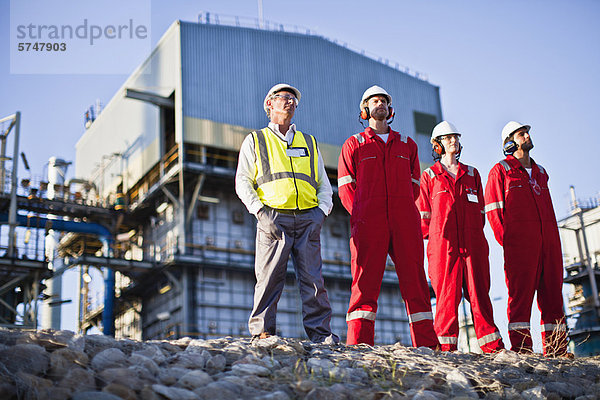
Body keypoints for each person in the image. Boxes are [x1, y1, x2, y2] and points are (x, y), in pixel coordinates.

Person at [235, 83, 339, 344]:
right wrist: (260, 211)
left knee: (314, 281)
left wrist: (321, 212)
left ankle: (321, 335)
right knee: (269, 277)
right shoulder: (256, 140)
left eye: (293, 98)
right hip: (273, 218)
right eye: (283, 97)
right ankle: (262, 331)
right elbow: (243, 181)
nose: (290, 101)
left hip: (308, 219)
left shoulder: (309, 141)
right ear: (269, 104)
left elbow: (323, 184)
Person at [337, 85, 439, 348]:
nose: (379, 103)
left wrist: (401, 208)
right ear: (365, 109)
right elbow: (346, 187)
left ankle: (426, 344)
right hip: (368, 221)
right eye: (374, 101)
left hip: (404, 220)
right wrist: (361, 215)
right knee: (364, 281)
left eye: (383, 100)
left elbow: (414, 185)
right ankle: (359, 343)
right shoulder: (354, 144)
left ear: (390, 109)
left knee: (415, 281)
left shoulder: (408, 145)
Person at [416, 121, 504, 353]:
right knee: (446, 297)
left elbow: (481, 213)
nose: (453, 140)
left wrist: (471, 233)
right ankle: (446, 349)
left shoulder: (473, 174)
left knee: (480, 295)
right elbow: (423, 216)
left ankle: (492, 347)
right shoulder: (430, 176)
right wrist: (437, 239)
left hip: (473, 244)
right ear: (437, 145)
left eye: (455, 137)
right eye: (447, 138)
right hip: (443, 246)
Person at [484, 121, 569, 357]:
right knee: (520, 299)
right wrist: (511, 244)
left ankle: (557, 350)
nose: (527, 136)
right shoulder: (500, 171)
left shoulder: (541, 172)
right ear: (509, 142)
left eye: (527, 132)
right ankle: (523, 350)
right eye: (522, 134)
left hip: (549, 244)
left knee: (553, 297)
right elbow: (494, 212)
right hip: (520, 248)